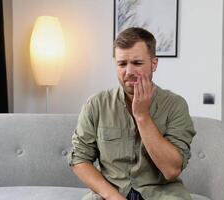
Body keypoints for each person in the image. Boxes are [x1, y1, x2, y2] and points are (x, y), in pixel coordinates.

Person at [68, 27, 196, 200]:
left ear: (154, 64)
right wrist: (113, 196)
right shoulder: (96, 104)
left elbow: (171, 170)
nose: (129, 72)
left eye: (137, 63)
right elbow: (79, 159)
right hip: (111, 193)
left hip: (161, 194)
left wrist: (142, 116)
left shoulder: (175, 105)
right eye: (122, 64)